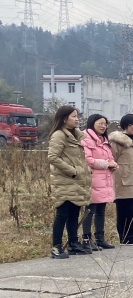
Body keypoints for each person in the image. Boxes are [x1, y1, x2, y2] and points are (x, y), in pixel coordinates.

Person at [47, 106, 93, 258]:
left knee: (74, 213)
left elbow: (78, 159)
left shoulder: (76, 135)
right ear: (65, 118)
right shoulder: (59, 135)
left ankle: (73, 243)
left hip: (76, 181)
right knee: (63, 214)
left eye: (77, 116)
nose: (77, 119)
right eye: (74, 116)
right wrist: (72, 171)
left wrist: (85, 171)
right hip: (65, 181)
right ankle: (56, 246)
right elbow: (53, 157)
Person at [80, 114, 118, 250]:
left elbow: (110, 158)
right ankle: (86, 239)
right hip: (92, 179)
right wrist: (107, 164)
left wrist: (113, 164)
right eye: (100, 123)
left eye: (105, 124)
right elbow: (88, 160)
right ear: (92, 123)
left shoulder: (104, 140)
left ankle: (100, 238)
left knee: (101, 210)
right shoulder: (86, 139)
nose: (103, 126)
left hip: (104, 180)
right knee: (90, 210)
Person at [109, 114, 133, 246]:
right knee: (125, 211)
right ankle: (125, 236)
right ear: (125, 125)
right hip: (124, 181)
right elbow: (111, 159)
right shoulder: (117, 142)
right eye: (132, 125)